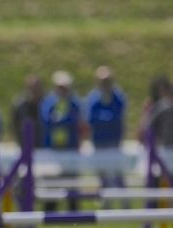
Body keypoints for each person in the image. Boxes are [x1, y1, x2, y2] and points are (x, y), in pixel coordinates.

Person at [84, 66, 127, 206]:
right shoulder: (93, 97)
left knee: (118, 173)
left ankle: (124, 201)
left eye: (107, 80)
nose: (105, 83)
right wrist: (106, 118)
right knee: (102, 174)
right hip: (99, 142)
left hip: (114, 141)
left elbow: (117, 116)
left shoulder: (118, 96)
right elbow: (91, 118)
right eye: (102, 81)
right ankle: (106, 202)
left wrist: (103, 118)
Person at [41, 71, 82, 211]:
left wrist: (58, 120)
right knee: (51, 179)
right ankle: (50, 208)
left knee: (71, 179)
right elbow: (46, 120)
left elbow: (74, 120)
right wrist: (61, 121)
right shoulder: (50, 101)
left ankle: (73, 208)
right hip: (53, 148)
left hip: (69, 147)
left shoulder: (74, 103)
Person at [11, 74, 44, 147]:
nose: (34, 90)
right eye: (32, 87)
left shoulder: (46, 102)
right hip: (24, 145)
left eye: (36, 87)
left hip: (43, 146)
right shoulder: (19, 103)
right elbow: (14, 124)